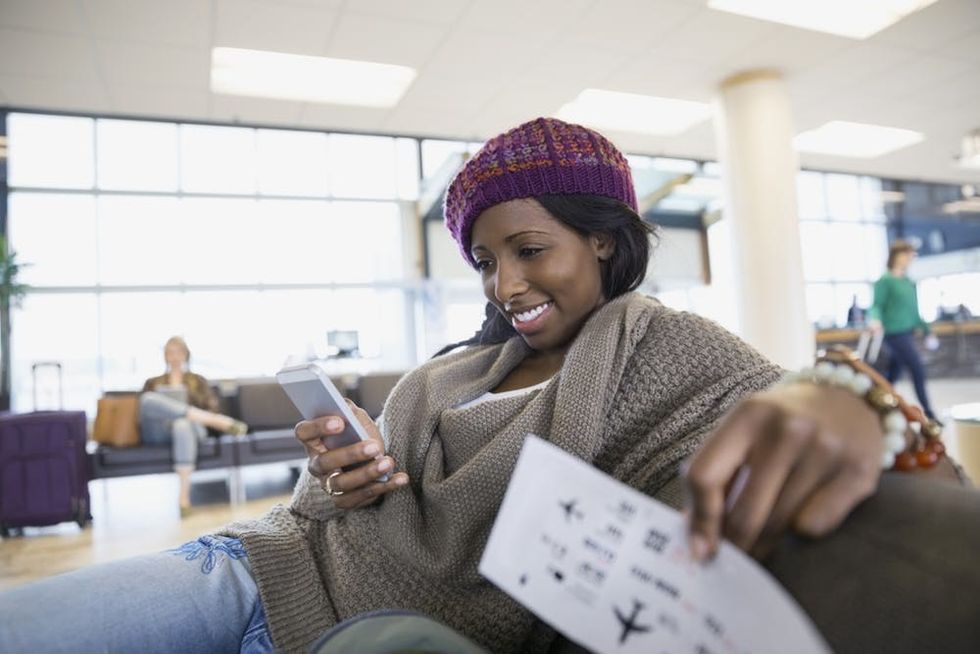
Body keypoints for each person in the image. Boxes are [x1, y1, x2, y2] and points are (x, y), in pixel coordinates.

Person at [0, 118, 972, 654]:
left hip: (384, 633)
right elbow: (309, 514)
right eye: (483, 261)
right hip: (246, 570)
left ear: (602, 236)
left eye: (528, 249)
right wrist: (345, 475)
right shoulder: (450, 371)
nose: (505, 286)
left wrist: (842, 394)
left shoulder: (665, 348)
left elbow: (830, 414)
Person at [140, 335, 248, 513]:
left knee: (182, 424)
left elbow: (211, 406)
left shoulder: (198, 381)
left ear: (186, 355)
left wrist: (189, 405)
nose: (174, 357)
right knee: (147, 399)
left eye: (178, 352)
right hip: (160, 431)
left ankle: (183, 497)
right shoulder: (152, 382)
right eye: (170, 352)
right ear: (165, 356)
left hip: (191, 430)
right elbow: (145, 411)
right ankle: (218, 422)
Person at [867, 241, 937, 420]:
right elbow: (876, 305)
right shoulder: (885, 281)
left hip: (908, 333)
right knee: (917, 369)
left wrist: (927, 331)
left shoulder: (909, 283)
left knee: (892, 375)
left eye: (911, 255)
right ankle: (929, 414)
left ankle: (874, 406)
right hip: (893, 335)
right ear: (896, 256)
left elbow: (915, 312)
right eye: (906, 254)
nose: (909, 258)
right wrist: (875, 320)